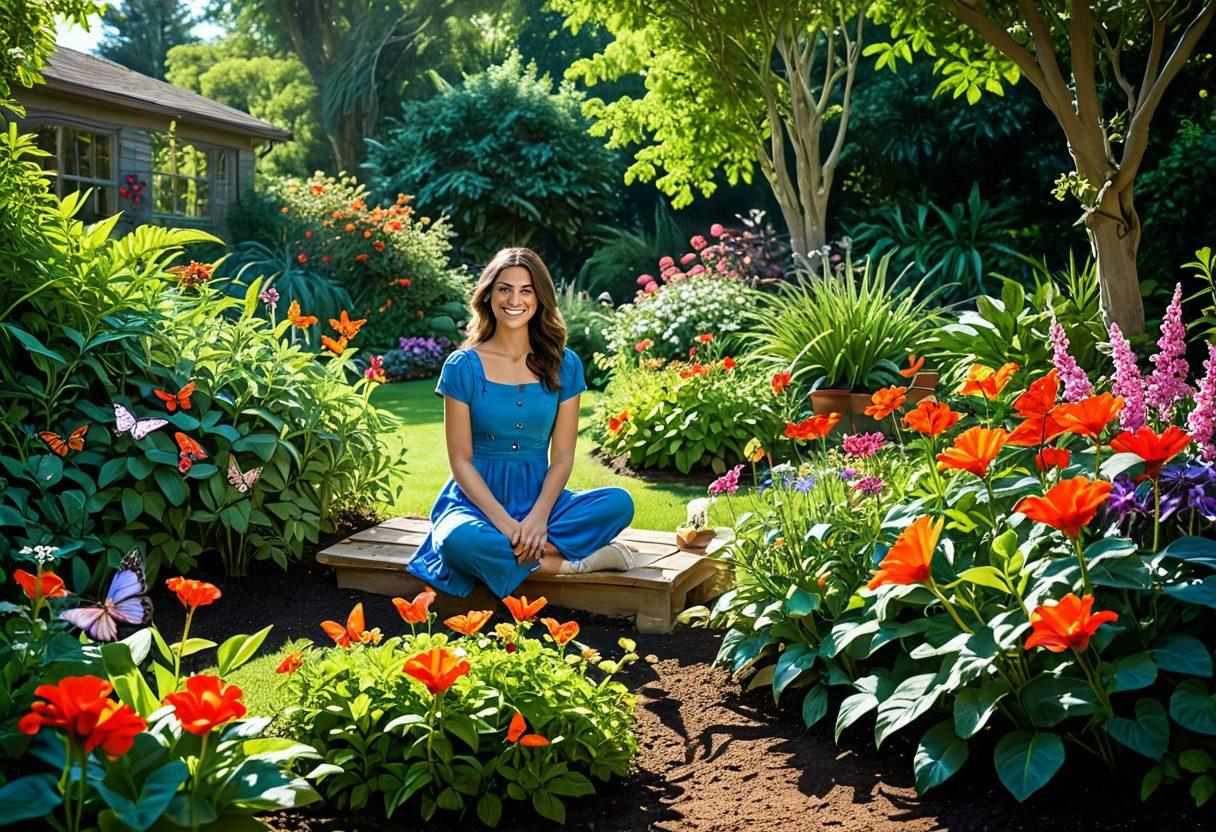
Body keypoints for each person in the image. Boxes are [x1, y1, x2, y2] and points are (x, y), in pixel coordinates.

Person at [407, 247, 636, 598]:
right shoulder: (462, 366)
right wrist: (508, 525)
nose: (515, 299)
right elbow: (460, 461)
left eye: (526, 290)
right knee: (456, 540)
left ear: (540, 297)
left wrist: (537, 519)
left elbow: (561, 458)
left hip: (540, 499)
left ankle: (514, 555)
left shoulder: (565, 364)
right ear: (488, 295)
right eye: (504, 288)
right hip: (474, 503)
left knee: (619, 503)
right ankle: (575, 563)